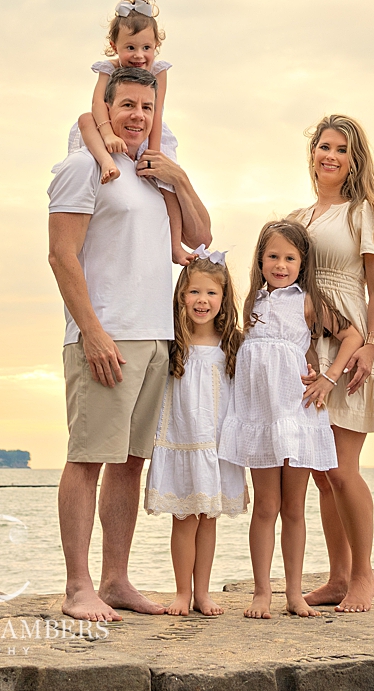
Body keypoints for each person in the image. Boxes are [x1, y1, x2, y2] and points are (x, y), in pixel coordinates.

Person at [47, 66, 212, 623]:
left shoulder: (152, 173)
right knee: (88, 458)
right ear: (106, 108)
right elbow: (61, 256)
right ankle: (78, 587)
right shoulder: (83, 167)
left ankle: (116, 580)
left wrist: (180, 178)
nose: (137, 115)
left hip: (156, 338)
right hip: (105, 335)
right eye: (127, 106)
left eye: (147, 106)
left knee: (129, 464)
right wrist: (91, 331)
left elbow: (199, 237)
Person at [218, 220, 363, 619]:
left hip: (297, 415)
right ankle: (261, 592)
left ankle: (294, 594)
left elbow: (352, 336)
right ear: (260, 260)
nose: (280, 265)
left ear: (303, 263)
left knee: (294, 508)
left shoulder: (308, 302)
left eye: (289, 258)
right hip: (260, 416)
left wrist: (329, 378)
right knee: (265, 505)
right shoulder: (252, 303)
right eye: (273, 257)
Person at [294, 114, 374, 614]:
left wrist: (372, 346)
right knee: (321, 471)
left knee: (342, 469)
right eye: (323, 146)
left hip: (350, 345)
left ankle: (364, 576)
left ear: (354, 158)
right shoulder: (298, 219)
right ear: (312, 152)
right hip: (306, 348)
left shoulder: (368, 214)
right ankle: (337, 576)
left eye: (341, 148)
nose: (330, 155)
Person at [144, 250, 248, 616]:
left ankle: (203, 592)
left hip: (218, 443)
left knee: (209, 519)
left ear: (224, 299)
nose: (202, 301)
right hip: (183, 440)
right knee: (185, 519)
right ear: (180, 296)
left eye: (211, 294)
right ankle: (181, 593)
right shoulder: (173, 341)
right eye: (193, 293)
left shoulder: (231, 343)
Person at [64, 0, 188, 264]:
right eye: (130, 48)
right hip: (108, 123)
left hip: (147, 129)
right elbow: (98, 103)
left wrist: (153, 154)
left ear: (156, 45)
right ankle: (107, 162)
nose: (138, 55)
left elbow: (157, 111)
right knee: (85, 119)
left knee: (168, 186)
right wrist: (107, 133)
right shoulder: (107, 69)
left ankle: (175, 244)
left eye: (146, 47)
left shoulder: (159, 71)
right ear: (114, 45)